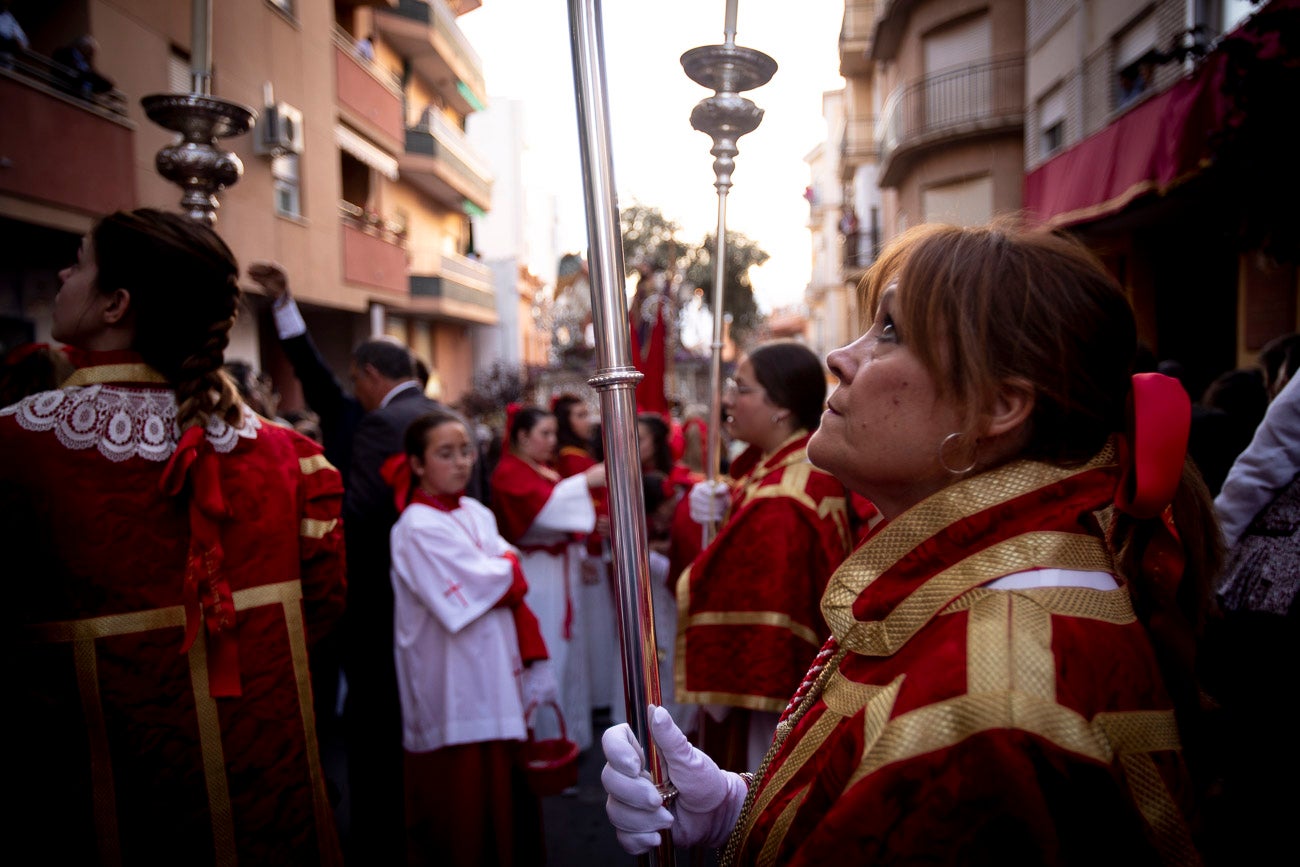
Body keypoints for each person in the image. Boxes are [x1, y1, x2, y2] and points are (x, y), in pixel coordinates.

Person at [602, 221, 1221, 864]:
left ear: (999, 408)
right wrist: (734, 808)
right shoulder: (973, 581)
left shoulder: (989, 690)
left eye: (891, 331)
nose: (841, 357)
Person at [0, 208, 347, 863]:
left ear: (116, 305)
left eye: (79, 260)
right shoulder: (295, 459)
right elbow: (322, 614)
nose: (62, 274)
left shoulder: (17, 451)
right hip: (270, 810)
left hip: (98, 810)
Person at [674, 340, 855, 773]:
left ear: (781, 407)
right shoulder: (784, 467)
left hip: (775, 697)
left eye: (742, 388)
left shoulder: (781, 500)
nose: (728, 399)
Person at [389, 409, 555, 866]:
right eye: (445, 454)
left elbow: (505, 573)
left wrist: (504, 570)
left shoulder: (477, 512)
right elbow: (500, 580)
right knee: (462, 809)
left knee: (506, 798)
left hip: (496, 671)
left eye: (465, 451)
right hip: (453, 682)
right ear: (418, 465)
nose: (461, 462)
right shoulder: (414, 528)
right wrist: (505, 569)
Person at [340, 335, 444, 863]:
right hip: (446, 600)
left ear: (371, 374)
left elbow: (359, 519)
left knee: (379, 726)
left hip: (386, 603)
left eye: (355, 380)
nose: (354, 391)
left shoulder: (381, 424)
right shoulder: (442, 414)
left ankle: (382, 838)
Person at [490, 404, 606, 752]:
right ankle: (545, 741)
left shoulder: (538, 469)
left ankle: (570, 738)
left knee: (569, 653)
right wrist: (584, 482)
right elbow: (543, 511)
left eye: (555, 433)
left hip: (559, 570)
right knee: (549, 651)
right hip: (538, 574)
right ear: (522, 437)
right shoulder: (509, 472)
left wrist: (580, 546)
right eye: (545, 434)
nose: (553, 441)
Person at [53, 34, 114, 101]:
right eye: (90, 51)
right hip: (66, 92)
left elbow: (91, 75)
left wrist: (107, 84)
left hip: (81, 98)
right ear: (83, 47)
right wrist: (86, 76)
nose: (91, 55)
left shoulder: (87, 63)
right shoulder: (64, 53)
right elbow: (71, 72)